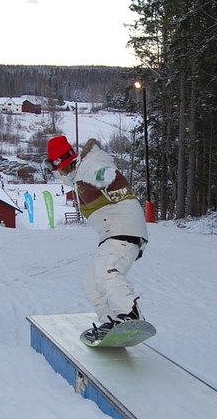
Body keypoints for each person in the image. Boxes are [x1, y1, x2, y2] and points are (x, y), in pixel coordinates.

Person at [45, 134, 148, 342]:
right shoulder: (77, 175)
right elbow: (69, 177)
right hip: (114, 232)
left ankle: (129, 313)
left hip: (123, 228)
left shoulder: (88, 167)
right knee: (90, 281)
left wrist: (103, 175)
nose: (56, 173)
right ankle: (111, 320)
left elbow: (102, 172)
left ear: (62, 163)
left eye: (56, 168)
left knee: (108, 271)